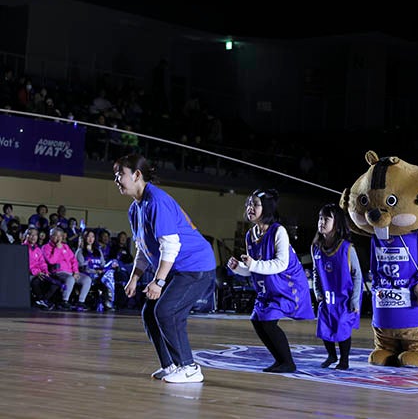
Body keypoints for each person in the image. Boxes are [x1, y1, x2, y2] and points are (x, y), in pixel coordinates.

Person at [114, 153, 216, 384]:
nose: (117, 179)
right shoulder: (135, 208)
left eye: (121, 174)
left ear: (137, 175)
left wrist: (158, 282)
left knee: (166, 311)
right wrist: (134, 278)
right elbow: (143, 247)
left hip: (194, 266)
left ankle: (189, 367)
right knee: (150, 312)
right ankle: (171, 366)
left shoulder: (157, 201)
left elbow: (171, 246)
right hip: (176, 268)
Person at [227, 189, 315, 373]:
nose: (250, 208)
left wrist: (253, 264)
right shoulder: (250, 234)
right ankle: (281, 361)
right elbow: (254, 269)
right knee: (257, 320)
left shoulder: (279, 231)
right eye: (248, 204)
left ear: (266, 208)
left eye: (255, 204)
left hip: (287, 285)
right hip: (269, 287)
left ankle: (288, 363)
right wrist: (238, 268)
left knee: (267, 321)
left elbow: (280, 264)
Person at [311, 203, 363, 370]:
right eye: (320, 218)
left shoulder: (347, 249)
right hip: (326, 298)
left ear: (337, 223)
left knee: (342, 328)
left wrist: (355, 300)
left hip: (344, 298)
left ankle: (344, 360)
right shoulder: (316, 248)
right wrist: (318, 292)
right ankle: (331, 356)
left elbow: (357, 275)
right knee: (325, 327)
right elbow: (315, 272)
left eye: (326, 219)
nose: (321, 222)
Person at [43, 226, 92, 312]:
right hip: (58, 272)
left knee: (87, 279)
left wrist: (76, 271)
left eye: (60, 236)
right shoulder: (46, 247)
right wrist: (57, 248)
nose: (58, 238)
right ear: (50, 236)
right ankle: (64, 301)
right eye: (55, 236)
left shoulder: (66, 247)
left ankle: (81, 302)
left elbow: (73, 260)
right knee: (70, 279)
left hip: (71, 272)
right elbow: (51, 261)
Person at [76, 230, 117, 311]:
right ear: (84, 238)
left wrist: (110, 265)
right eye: (88, 236)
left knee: (109, 277)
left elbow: (102, 264)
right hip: (86, 275)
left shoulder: (98, 251)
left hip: (98, 276)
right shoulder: (80, 251)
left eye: (92, 237)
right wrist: (95, 271)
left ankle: (108, 302)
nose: (90, 239)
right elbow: (82, 267)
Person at [24, 227, 60, 310]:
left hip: (41, 273)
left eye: (35, 235)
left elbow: (42, 263)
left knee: (56, 282)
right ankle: (42, 300)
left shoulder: (38, 249)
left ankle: (43, 300)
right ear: (26, 236)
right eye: (31, 235)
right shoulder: (23, 248)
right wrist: (37, 273)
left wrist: (45, 271)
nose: (33, 237)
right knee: (36, 282)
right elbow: (26, 264)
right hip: (31, 274)